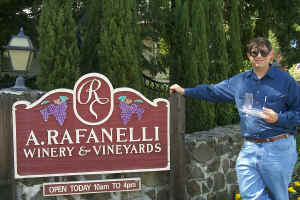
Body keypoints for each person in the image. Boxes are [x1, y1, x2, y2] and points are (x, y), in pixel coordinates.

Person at [169, 37, 300, 200]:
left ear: (270, 55)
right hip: (250, 147)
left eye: (263, 52)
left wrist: (278, 118)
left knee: (279, 196)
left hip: (278, 147)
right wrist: (185, 91)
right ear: (249, 56)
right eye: (254, 52)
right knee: (249, 195)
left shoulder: (285, 81)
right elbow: (213, 92)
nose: (259, 55)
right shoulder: (240, 81)